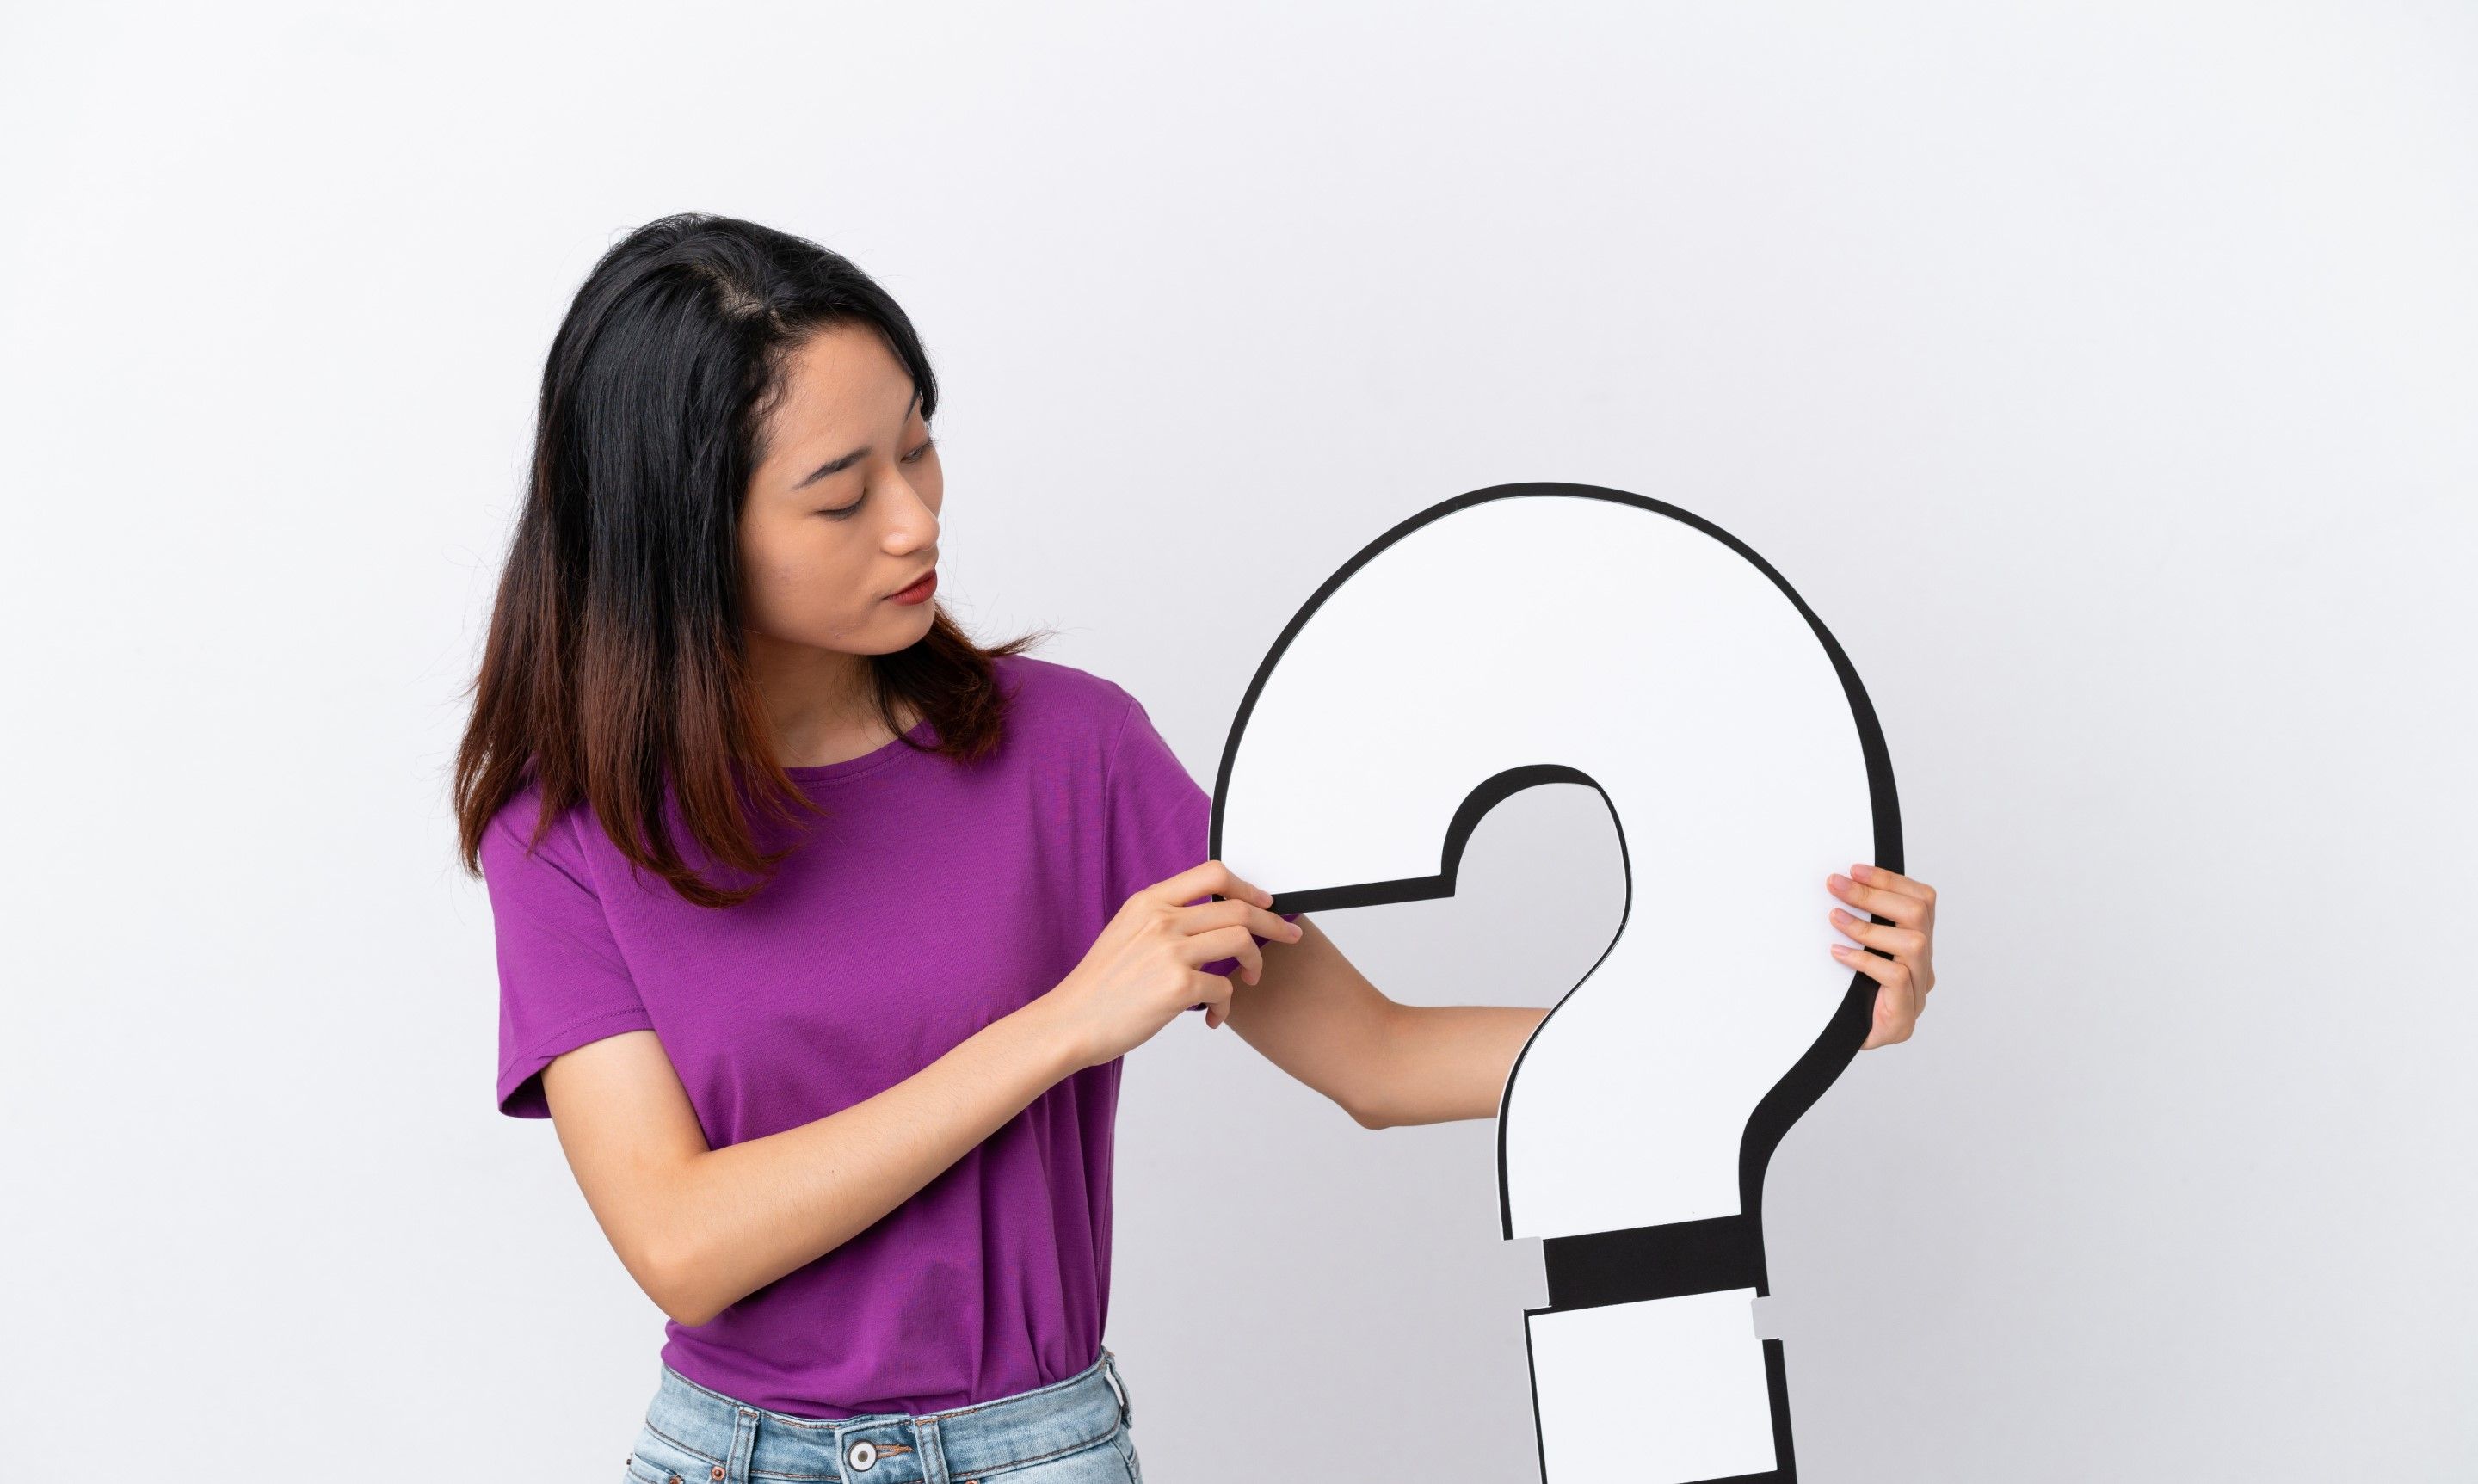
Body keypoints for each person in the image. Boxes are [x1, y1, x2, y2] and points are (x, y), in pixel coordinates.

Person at [451, 212, 1941, 1484]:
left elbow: (1375, 1055)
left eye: (921, 448)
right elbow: (684, 1242)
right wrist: (1065, 1023)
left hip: (1038, 1448)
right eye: (843, 493)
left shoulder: (1068, 751)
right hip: (731, 1455)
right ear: (679, 531)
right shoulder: (565, 825)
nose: (914, 522)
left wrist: (1771, 1022)